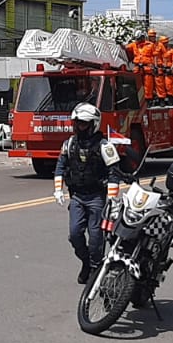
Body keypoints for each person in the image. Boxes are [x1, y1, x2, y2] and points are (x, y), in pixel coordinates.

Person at [53, 103, 123, 284]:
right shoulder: (69, 144)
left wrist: (113, 200)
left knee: (95, 238)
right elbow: (60, 167)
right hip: (77, 196)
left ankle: (95, 267)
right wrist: (58, 189)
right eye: (77, 123)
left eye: (83, 124)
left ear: (93, 124)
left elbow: (114, 173)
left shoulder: (104, 146)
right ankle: (86, 262)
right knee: (75, 234)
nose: (79, 127)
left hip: (96, 198)